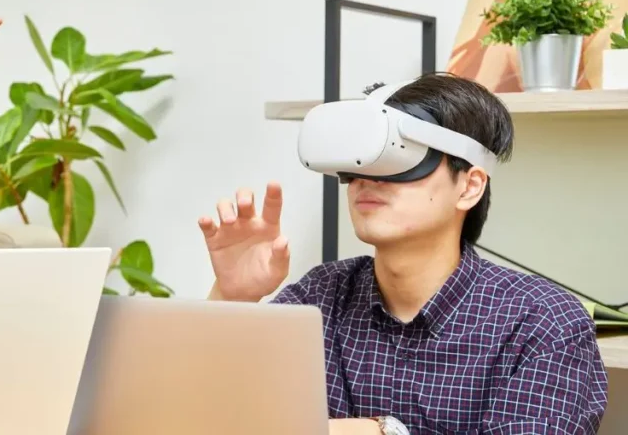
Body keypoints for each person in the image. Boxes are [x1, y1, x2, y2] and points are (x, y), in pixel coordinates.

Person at [201, 73, 608, 435]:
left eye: (398, 157)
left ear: (469, 186)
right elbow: (208, 412)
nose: (367, 180)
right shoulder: (320, 296)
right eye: (360, 161)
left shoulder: (542, 323)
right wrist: (232, 298)